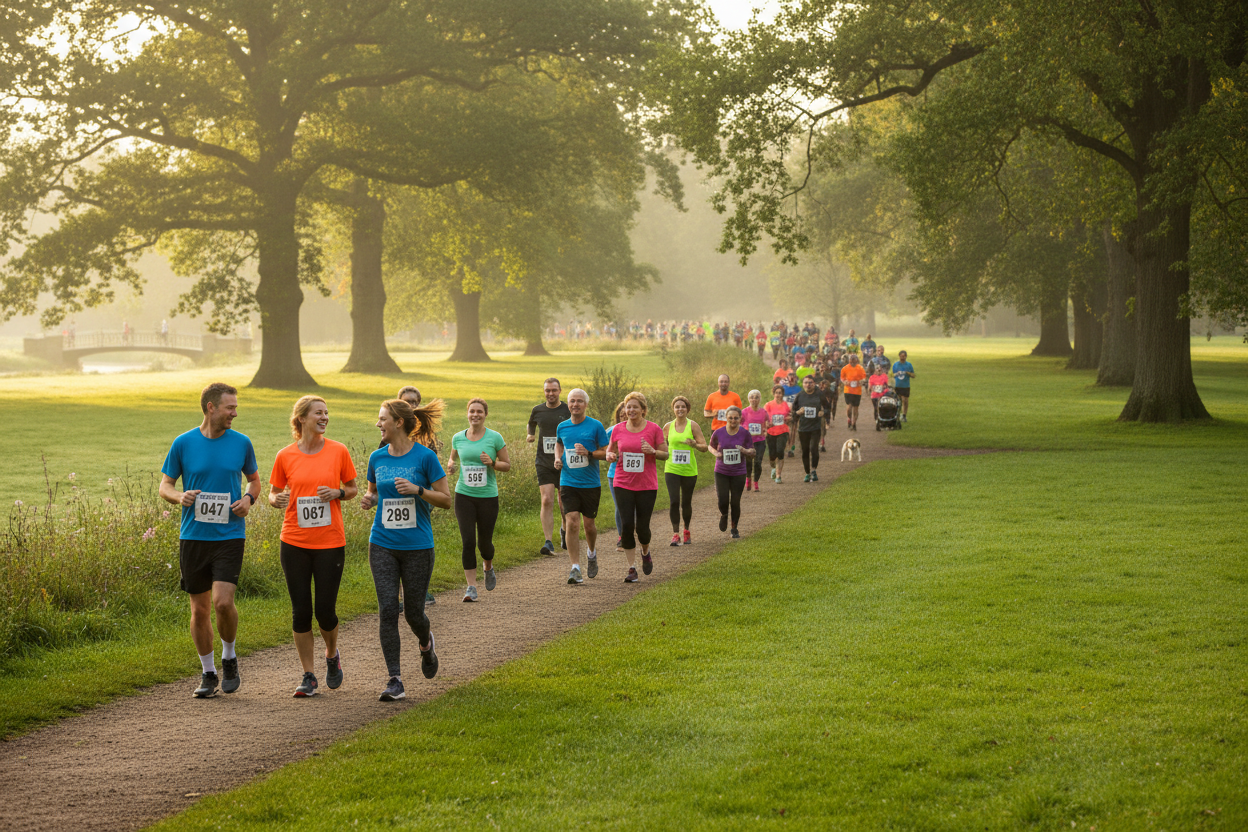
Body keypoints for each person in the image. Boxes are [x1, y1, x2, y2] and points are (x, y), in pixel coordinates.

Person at [158, 382, 261, 699]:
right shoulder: (183, 443)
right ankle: (208, 672)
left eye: (236, 408)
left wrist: (247, 500)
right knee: (200, 610)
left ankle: (229, 656)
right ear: (211, 407)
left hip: (230, 534)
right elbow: (165, 485)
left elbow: (255, 481)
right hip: (193, 536)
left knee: (222, 602)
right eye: (230, 407)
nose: (234, 413)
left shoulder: (241, 443)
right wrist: (179, 497)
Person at [268, 395, 358, 697]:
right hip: (293, 540)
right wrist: (275, 500)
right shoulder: (285, 456)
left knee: (325, 611)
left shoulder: (338, 451)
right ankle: (308, 674)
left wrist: (337, 492)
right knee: (300, 611)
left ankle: (332, 654)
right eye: (318, 413)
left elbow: (353, 489)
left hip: (330, 541)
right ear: (302, 418)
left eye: (327, 413)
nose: (325, 417)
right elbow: (273, 493)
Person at [361, 398, 450, 701]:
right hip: (382, 543)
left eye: (382, 418)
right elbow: (373, 493)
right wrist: (369, 500)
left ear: (398, 422)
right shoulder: (377, 457)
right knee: (388, 610)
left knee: (414, 614)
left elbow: (446, 499)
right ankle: (394, 679)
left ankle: (426, 644)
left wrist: (419, 491)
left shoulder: (425, 458)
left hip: (417, 546)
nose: (378, 424)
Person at [449, 398, 510, 602]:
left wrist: (492, 463)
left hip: (487, 497)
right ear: (467, 414)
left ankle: (488, 566)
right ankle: (471, 587)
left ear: (485, 415)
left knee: (484, 543)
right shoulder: (458, 437)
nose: (475, 415)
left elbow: (507, 465)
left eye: (479, 412)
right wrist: (451, 465)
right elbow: (453, 458)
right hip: (464, 495)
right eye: (472, 411)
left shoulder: (495, 438)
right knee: (468, 541)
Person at [605, 392, 668, 582]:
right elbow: (610, 450)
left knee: (642, 528)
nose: (630, 410)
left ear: (643, 409)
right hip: (622, 482)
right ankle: (631, 568)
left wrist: (653, 451)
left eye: (634, 406)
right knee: (626, 526)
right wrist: (610, 456)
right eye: (627, 406)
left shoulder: (654, 429)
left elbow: (665, 454)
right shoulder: (618, 429)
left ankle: (645, 552)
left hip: (646, 485)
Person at [382, 386, 434, 608]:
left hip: (421, 498)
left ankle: (419, 588)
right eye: (406, 402)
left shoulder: (427, 438)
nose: (411, 405)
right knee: (397, 543)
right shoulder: (388, 437)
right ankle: (403, 594)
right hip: (394, 501)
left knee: (417, 543)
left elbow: (433, 469)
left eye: (414, 402)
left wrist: (422, 490)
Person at [554, 388, 610, 584]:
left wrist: (588, 453)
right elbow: (559, 444)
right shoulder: (562, 426)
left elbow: (606, 453)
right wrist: (557, 458)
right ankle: (575, 568)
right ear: (568, 404)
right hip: (568, 481)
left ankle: (592, 553)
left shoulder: (595, 426)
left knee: (589, 525)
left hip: (590, 483)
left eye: (579, 401)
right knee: (572, 521)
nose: (575, 405)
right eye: (572, 401)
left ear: (585, 404)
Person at [527, 378, 571, 555]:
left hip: (565, 462)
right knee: (546, 500)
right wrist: (530, 434)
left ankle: (565, 530)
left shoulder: (568, 409)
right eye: (547, 390)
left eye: (554, 390)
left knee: (564, 504)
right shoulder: (537, 410)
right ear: (544, 392)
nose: (550, 394)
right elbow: (531, 423)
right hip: (543, 462)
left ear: (560, 391)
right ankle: (548, 542)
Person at [663, 395, 707, 546]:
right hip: (671, 468)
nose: (680, 409)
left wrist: (695, 444)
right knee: (674, 501)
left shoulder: (693, 426)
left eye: (683, 406)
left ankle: (686, 530)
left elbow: (704, 447)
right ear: (673, 409)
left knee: (686, 502)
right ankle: (675, 533)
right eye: (677, 407)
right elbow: (662, 446)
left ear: (687, 409)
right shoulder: (668, 427)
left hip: (689, 470)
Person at [709, 407, 754, 539]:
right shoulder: (719, 432)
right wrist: (716, 453)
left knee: (735, 501)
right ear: (726, 418)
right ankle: (724, 514)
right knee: (723, 499)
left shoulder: (745, 434)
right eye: (730, 418)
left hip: (739, 472)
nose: (733, 420)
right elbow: (710, 446)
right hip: (721, 471)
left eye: (736, 418)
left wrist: (745, 451)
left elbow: (753, 452)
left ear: (740, 418)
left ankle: (734, 528)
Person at [793, 375, 824, 482]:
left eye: (810, 382)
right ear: (803, 384)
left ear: (814, 383)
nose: (808, 385)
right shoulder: (800, 395)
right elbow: (793, 412)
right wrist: (797, 412)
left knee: (814, 449)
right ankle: (807, 473)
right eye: (806, 383)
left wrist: (823, 412)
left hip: (815, 427)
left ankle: (814, 470)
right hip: (803, 428)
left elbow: (828, 407)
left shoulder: (819, 394)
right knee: (805, 451)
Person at [741, 389, 769, 492]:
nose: (754, 399)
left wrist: (765, 429)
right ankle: (748, 478)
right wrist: (745, 429)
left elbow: (767, 424)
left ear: (759, 399)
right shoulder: (744, 412)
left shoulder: (763, 412)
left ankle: (756, 482)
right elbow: (738, 425)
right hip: (748, 442)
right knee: (748, 462)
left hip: (760, 441)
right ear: (748, 399)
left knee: (758, 462)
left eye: (756, 397)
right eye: (752, 397)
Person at [764, 385, 792, 483]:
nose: (778, 395)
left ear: (782, 394)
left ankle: (778, 475)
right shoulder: (768, 405)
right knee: (772, 455)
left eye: (780, 393)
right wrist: (768, 424)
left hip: (783, 431)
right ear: (774, 393)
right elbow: (764, 418)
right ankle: (773, 468)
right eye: (776, 393)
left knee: (780, 451)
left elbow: (790, 416)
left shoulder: (787, 405)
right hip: (771, 432)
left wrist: (789, 418)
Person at [840, 353, 867, 431]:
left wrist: (861, 381)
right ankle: (849, 418)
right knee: (849, 406)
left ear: (857, 361)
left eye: (854, 361)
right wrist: (844, 382)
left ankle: (854, 423)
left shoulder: (860, 368)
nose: (852, 362)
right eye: (851, 361)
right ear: (849, 361)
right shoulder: (845, 368)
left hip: (857, 391)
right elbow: (842, 378)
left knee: (855, 408)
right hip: (848, 390)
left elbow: (864, 378)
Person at [892, 350, 915, 420]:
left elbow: (913, 375)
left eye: (904, 356)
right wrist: (897, 374)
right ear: (899, 356)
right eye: (901, 356)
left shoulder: (909, 365)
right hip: (897, 385)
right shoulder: (895, 365)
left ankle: (904, 415)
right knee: (897, 401)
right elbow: (892, 375)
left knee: (905, 400)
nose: (902, 358)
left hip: (905, 386)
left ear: (906, 356)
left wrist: (908, 373)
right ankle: (897, 414)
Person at [818, 375, 837, 452]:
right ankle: (821, 443)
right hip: (821, 412)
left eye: (825, 385)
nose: (823, 386)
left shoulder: (829, 392)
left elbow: (831, 402)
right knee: (821, 429)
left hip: (825, 411)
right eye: (822, 385)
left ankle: (821, 443)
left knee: (823, 429)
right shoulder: (817, 392)